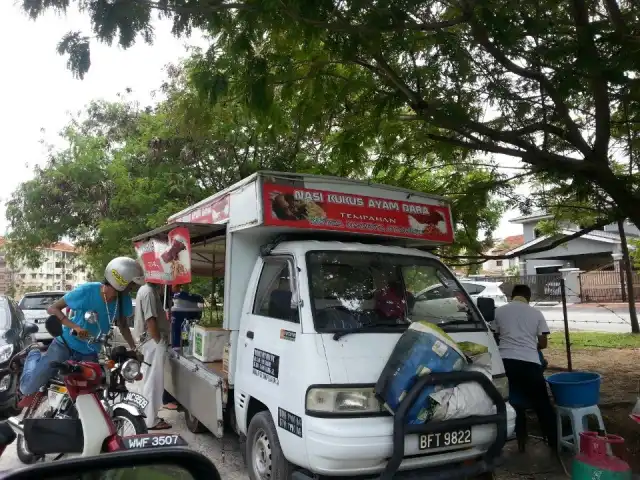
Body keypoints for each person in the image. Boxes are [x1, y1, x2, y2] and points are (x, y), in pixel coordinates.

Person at [18, 257, 143, 407]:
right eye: (131, 285)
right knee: (28, 388)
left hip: (90, 352)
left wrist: (134, 348)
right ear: (120, 281)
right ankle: (33, 355)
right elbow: (53, 308)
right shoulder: (87, 291)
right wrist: (75, 327)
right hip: (65, 345)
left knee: (90, 397)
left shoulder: (123, 300)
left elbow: (123, 325)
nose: (132, 289)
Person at [491, 284, 557, 450]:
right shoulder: (536, 313)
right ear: (528, 297)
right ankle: (554, 443)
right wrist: (529, 345)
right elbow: (543, 343)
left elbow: (495, 335)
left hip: (505, 362)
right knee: (542, 404)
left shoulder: (499, 311)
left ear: (512, 296)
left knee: (513, 401)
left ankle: (520, 439)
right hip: (529, 363)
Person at [134, 281, 172, 430]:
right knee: (154, 381)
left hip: (149, 342)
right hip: (152, 342)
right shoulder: (148, 292)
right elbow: (151, 320)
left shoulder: (146, 290)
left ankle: (148, 416)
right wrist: (159, 341)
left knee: (149, 379)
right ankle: (151, 420)